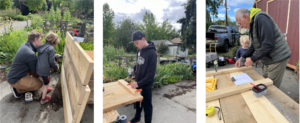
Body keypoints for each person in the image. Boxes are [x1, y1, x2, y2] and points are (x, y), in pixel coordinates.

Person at [235, 8, 291, 88]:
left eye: (240, 23)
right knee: (264, 82)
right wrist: (243, 57)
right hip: (268, 59)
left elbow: (268, 44)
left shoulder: (261, 18)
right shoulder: (253, 24)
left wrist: (252, 59)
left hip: (277, 57)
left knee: (271, 87)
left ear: (245, 17)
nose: (241, 26)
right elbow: (254, 45)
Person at [128, 31, 157, 123]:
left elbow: (150, 75)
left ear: (143, 39)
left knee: (147, 105)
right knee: (138, 102)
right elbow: (139, 63)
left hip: (146, 85)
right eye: (134, 43)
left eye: (137, 43)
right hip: (138, 82)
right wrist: (134, 68)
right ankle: (137, 117)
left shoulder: (152, 53)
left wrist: (138, 83)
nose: (136, 45)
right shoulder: (139, 50)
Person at [6, 31, 44, 98]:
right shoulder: (30, 53)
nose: (41, 42)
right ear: (35, 40)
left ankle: (28, 83)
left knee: (37, 71)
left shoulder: (26, 45)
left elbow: (35, 60)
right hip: (16, 79)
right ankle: (17, 90)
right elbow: (35, 70)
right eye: (40, 40)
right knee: (40, 84)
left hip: (17, 73)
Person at [36, 32, 60, 104]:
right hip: (45, 70)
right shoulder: (51, 49)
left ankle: (46, 88)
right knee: (46, 83)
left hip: (39, 68)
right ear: (54, 42)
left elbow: (45, 56)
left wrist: (54, 55)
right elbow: (51, 61)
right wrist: (56, 67)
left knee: (45, 79)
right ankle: (43, 100)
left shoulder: (42, 46)